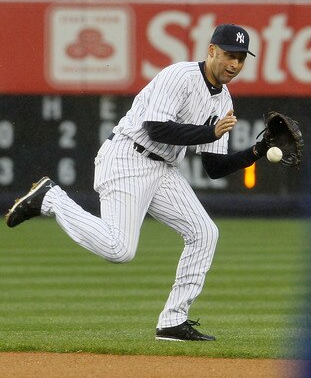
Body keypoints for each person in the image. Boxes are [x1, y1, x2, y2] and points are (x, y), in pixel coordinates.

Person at [5, 24, 268, 342]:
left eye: (241, 59)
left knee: (204, 233)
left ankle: (173, 320)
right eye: (229, 55)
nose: (234, 65)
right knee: (119, 249)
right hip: (128, 156)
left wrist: (258, 151)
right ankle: (51, 198)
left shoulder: (223, 101)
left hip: (163, 170)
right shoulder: (180, 76)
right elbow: (156, 128)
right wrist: (208, 133)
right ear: (211, 51)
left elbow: (214, 167)